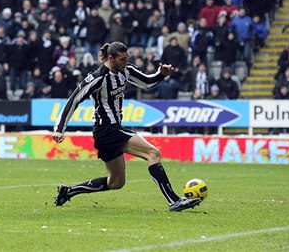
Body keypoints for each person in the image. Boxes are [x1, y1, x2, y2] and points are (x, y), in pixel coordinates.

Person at [52, 42, 202, 212]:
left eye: (127, 58)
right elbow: (74, 99)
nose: (126, 62)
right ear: (111, 58)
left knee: (116, 182)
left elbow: (146, 82)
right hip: (108, 130)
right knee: (153, 153)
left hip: (108, 133)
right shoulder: (97, 78)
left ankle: (69, 191)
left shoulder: (126, 70)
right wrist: (59, 128)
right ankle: (174, 200)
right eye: (122, 60)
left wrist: (161, 74)